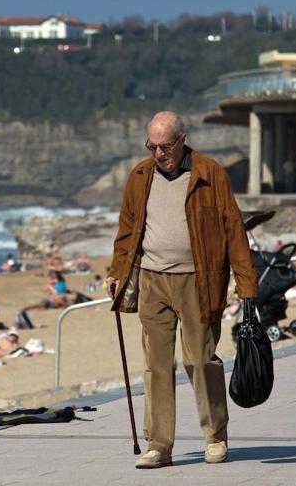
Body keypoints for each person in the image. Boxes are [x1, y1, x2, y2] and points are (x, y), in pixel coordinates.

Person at [105, 111, 258, 469]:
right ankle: (159, 445)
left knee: (200, 359)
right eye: (153, 146)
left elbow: (234, 228)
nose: (159, 153)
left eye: (166, 146)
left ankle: (215, 434)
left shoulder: (209, 173)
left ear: (182, 139)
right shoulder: (140, 176)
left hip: (199, 279)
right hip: (152, 279)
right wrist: (117, 272)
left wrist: (246, 283)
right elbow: (127, 229)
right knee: (157, 364)